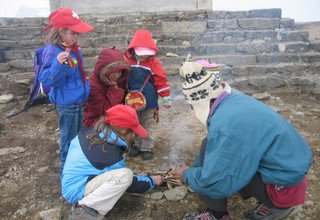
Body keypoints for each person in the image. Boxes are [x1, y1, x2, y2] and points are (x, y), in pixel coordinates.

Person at [171, 60, 313, 220]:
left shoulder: (226, 125)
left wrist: (188, 175)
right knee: (209, 145)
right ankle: (270, 202)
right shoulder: (235, 100)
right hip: (289, 176)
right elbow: (212, 145)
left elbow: (217, 181)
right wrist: (196, 168)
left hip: (283, 190)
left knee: (220, 174)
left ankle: (217, 215)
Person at [62, 105, 163, 220]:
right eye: (133, 132)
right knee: (126, 176)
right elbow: (131, 183)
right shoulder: (108, 154)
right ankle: (85, 208)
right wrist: (151, 181)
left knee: (122, 173)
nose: (134, 135)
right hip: (76, 190)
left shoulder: (89, 132)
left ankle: (87, 202)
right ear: (124, 131)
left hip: (71, 182)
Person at [39, 8, 93, 175]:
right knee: (68, 138)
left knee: (78, 137)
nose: (76, 37)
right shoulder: (53, 51)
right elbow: (46, 79)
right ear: (61, 31)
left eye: (78, 34)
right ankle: (66, 172)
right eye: (73, 33)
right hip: (66, 104)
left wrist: (86, 89)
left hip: (78, 100)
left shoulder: (74, 48)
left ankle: (76, 165)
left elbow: (78, 73)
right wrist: (57, 64)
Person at [124, 29, 172, 160]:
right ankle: (137, 145)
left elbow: (161, 80)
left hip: (149, 99)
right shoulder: (127, 61)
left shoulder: (154, 63)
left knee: (147, 122)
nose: (144, 56)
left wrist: (166, 97)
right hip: (131, 99)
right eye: (141, 52)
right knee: (135, 122)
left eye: (147, 53)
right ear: (133, 49)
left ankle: (147, 147)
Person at [83, 47, 130, 127]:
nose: (117, 75)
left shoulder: (120, 80)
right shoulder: (93, 86)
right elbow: (105, 111)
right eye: (113, 72)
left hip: (113, 117)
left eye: (119, 72)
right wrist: (114, 89)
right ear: (104, 70)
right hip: (95, 120)